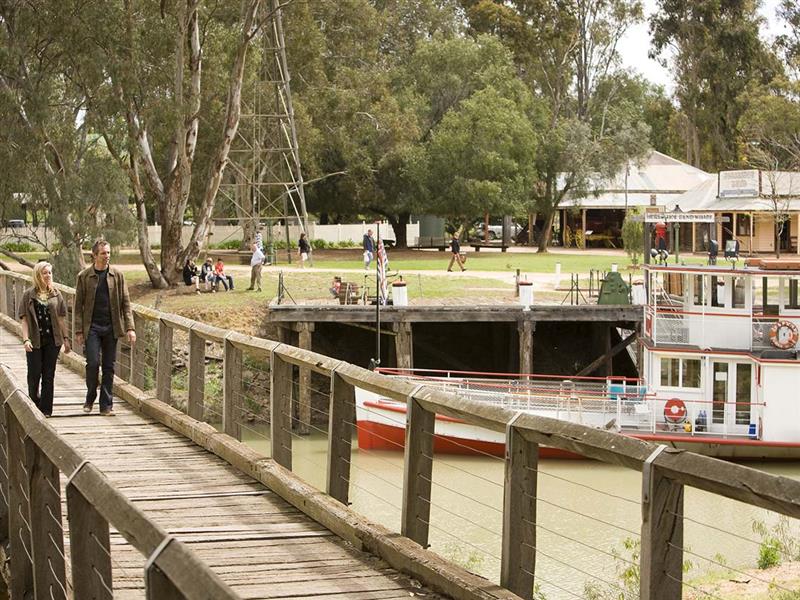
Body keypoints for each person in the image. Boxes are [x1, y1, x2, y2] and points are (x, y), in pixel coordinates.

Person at [74, 240, 135, 416]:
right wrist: (78, 330)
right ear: (94, 255)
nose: (107, 256)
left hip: (112, 327)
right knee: (92, 363)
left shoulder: (117, 275)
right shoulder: (84, 276)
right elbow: (78, 307)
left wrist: (130, 328)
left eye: (108, 253)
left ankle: (106, 406)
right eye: (103, 253)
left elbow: (126, 303)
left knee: (109, 367)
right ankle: (91, 394)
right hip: (92, 327)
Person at [19, 262, 71, 417]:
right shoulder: (28, 295)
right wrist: (25, 339)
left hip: (52, 341)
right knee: (34, 375)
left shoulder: (56, 294)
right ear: (37, 275)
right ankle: (34, 404)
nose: (48, 275)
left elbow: (61, 319)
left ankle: (46, 410)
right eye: (45, 273)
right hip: (35, 341)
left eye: (50, 272)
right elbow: (24, 319)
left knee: (49, 375)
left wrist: (66, 339)